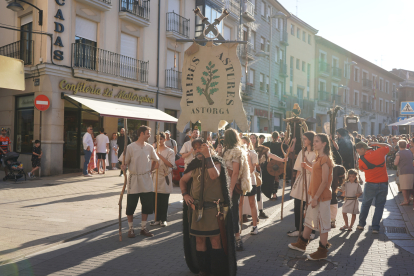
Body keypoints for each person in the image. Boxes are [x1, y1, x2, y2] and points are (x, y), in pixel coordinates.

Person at [180, 138, 237, 276]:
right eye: (196, 148)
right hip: (197, 210)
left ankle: (217, 271)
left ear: (208, 147)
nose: (198, 150)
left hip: (213, 211)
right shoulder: (194, 165)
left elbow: (213, 175)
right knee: (199, 240)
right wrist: (185, 194)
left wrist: (207, 156)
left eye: (201, 147)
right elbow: (182, 180)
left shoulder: (217, 162)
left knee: (215, 241)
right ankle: (203, 270)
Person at [288, 133, 334, 261]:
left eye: (317, 141)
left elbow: (324, 181)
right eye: (314, 141)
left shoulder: (325, 159)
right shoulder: (319, 158)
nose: (314, 143)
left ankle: (322, 250)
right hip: (314, 195)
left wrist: (315, 198)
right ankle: (302, 243)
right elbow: (315, 172)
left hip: (321, 197)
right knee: (308, 220)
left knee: (323, 224)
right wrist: (306, 165)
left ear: (324, 143)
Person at [217, 128, 252, 251]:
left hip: (232, 186)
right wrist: (219, 154)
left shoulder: (237, 151)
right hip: (223, 185)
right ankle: (226, 238)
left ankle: (237, 239)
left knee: (233, 213)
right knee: (223, 213)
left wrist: (230, 189)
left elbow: (236, 173)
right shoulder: (226, 150)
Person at [122, 125, 159, 238]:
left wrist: (150, 170)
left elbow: (156, 161)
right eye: (148, 133)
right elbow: (124, 162)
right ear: (142, 133)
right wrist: (123, 166)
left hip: (146, 179)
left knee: (147, 205)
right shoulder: (130, 147)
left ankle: (143, 228)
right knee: (131, 205)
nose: (149, 135)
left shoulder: (149, 147)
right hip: (134, 179)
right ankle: (130, 229)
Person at [355, 141, 392, 233]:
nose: (358, 153)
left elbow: (361, 169)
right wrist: (376, 143)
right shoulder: (380, 152)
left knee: (365, 204)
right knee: (380, 206)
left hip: (370, 183)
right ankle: (375, 227)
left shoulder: (362, 159)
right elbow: (389, 146)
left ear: (363, 149)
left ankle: (361, 224)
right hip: (383, 183)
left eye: (358, 151)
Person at [287, 131, 316, 238]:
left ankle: (311, 231)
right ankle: (298, 229)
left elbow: (316, 169)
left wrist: (307, 162)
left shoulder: (316, 153)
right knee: (298, 205)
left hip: (311, 180)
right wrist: (295, 183)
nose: (303, 141)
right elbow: (298, 169)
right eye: (303, 138)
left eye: (305, 139)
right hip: (301, 180)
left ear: (310, 140)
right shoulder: (302, 151)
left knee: (310, 207)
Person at [150, 132, 175, 227]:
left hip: (165, 177)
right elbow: (151, 165)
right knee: (155, 200)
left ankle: (163, 219)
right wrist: (152, 167)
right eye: (157, 139)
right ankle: (156, 219)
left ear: (164, 140)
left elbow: (171, 164)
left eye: (161, 139)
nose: (159, 141)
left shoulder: (170, 151)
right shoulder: (154, 150)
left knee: (163, 200)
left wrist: (159, 156)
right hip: (155, 177)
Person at [261, 131, 290, 200]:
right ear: (278, 137)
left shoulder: (266, 144)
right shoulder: (282, 145)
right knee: (276, 179)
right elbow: (289, 150)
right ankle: (274, 194)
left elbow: (260, 148)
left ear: (272, 137)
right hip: (278, 164)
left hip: (269, 165)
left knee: (270, 179)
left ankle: (272, 193)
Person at [240, 136, 259, 235]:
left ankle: (255, 226)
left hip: (251, 181)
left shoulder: (253, 154)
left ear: (247, 143)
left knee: (252, 203)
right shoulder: (238, 154)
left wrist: (247, 156)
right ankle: (239, 226)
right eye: (240, 142)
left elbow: (251, 169)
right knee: (240, 203)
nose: (242, 144)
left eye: (244, 142)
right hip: (241, 182)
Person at [250, 134, 267, 219]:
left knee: (258, 192)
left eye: (253, 138)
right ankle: (248, 213)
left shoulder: (261, 149)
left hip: (257, 172)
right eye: (251, 138)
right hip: (249, 173)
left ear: (256, 139)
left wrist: (282, 159)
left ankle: (260, 211)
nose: (252, 140)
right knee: (249, 193)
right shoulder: (246, 149)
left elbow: (269, 154)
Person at [394, 140, 414, 205]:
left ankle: (406, 200)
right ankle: (409, 198)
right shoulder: (410, 151)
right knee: (409, 186)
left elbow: (396, 163)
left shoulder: (399, 153)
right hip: (411, 170)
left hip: (403, 171)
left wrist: (394, 161)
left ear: (399, 145)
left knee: (404, 187)